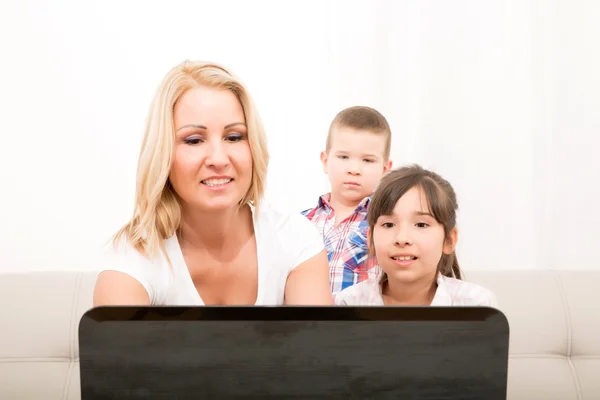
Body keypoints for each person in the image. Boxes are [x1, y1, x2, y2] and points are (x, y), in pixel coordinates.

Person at [93, 60, 332, 306]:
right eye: (194, 140)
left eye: (234, 137)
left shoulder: (294, 237)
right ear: (162, 153)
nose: (218, 159)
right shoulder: (132, 258)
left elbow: (318, 343)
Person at [334, 164, 497, 306]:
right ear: (370, 239)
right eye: (388, 224)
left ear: (448, 240)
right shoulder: (349, 304)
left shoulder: (475, 305)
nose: (402, 239)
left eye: (421, 224)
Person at [302, 106, 392, 295]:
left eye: (368, 160)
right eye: (343, 157)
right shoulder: (301, 223)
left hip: (361, 323)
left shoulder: (388, 224)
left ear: (385, 168)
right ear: (325, 161)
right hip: (304, 323)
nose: (354, 169)